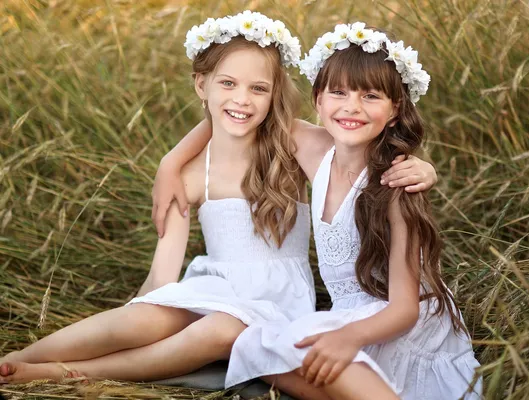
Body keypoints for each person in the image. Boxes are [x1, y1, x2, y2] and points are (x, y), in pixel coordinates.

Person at [0, 11, 316, 385]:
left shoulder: (291, 146)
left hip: (277, 302)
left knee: (221, 330)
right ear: (202, 85)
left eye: (258, 89)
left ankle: (70, 373)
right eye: (228, 83)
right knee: (148, 317)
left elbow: (353, 151)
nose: (242, 100)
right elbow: (163, 276)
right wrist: (141, 306)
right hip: (214, 287)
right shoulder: (191, 174)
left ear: (274, 94)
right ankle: (15, 360)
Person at [222, 23, 482, 400]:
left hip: (400, 327)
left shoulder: (395, 186)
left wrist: (348, 337)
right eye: (338, 92)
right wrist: (170, 165)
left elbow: (404, 310)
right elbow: (236, 115)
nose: (351, 107)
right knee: (251, 346)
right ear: (318, 99)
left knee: (287, 347)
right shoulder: (313, 149)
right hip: (350, 316)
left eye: (371, 96)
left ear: (395, 111)